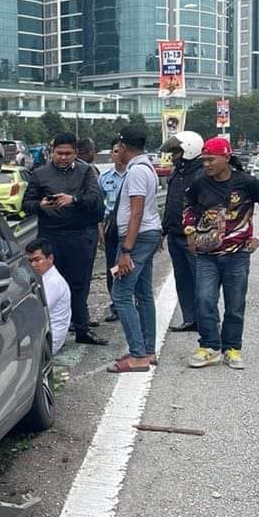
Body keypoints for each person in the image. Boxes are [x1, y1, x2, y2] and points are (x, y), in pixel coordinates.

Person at [182, 136, 259, 370]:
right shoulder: (199, 183)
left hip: (238, 255)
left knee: (235, 304)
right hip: (207, 255)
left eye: (211, 160)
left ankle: (232, 349)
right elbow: (188, 207)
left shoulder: (248, 183)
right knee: (204, 300)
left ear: (226, 157)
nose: (206, 165)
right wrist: (190, 232)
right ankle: (210, 347)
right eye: (203, 160)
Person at [22, 132, 107, 345]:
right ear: (52, 153)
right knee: (48, 284)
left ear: (75, 153)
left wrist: (73, 199)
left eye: (68, 153)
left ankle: (82, 329)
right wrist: (40, 205)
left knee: (80, 284)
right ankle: (46, 330)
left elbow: (95, 200)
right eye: (59, 153)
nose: (63, 157)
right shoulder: (39, 174)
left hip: (80, 236)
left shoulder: (86, 171)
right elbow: (26, 204)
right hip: (51, 237)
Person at [108, 128, 163, 373]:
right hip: (146, 235)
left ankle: (139, 355)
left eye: (118, 147)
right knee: (142, 292)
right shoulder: (146, 167)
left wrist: (126, 250)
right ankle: (147, 350)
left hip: (137, 238)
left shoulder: (137, 172)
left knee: (121, 293)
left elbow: (137, 212)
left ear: (124, 145)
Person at [160, 129, 204, 331]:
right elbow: (172, 203)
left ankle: (206, 320)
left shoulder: (201, 173)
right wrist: (164, 229)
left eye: (176, 152)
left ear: (188, 150)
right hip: (174, 233)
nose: (173, 156)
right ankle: (190, 318)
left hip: (193, 236)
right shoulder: (178, 172)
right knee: (183, 279)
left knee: (201, 281)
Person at [25, 239, 72, 354]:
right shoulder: (42, 277)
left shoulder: (53, 282)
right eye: (29, 261)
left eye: (37, 260)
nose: (33, 265)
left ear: (50, 258)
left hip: (49, 341)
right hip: (43, 334)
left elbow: (37, 312)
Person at [99, 141, 125, 322]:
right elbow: (99, 206)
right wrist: (99, 227)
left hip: (130, 227)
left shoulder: (134, 175)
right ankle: (116, 305)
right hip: (111, 227)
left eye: (120, 151)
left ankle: (132, 303)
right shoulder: (104, 177)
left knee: (131, 265)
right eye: (114, 151)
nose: (117, 155)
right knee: (112, 267)